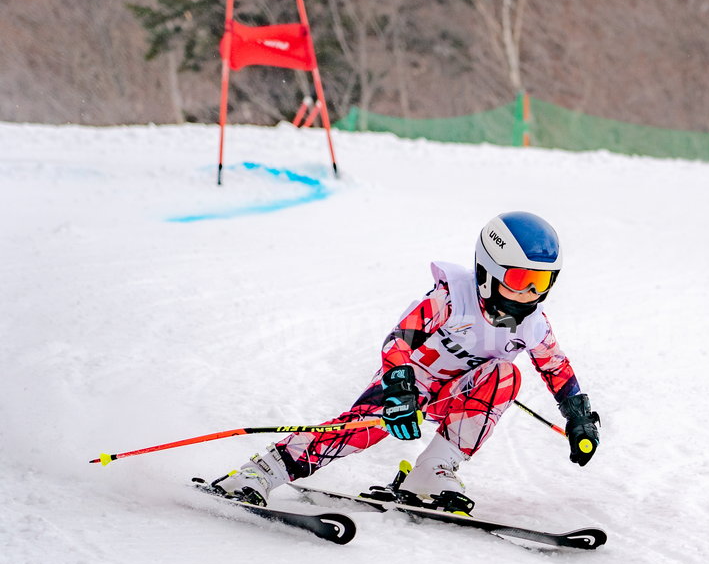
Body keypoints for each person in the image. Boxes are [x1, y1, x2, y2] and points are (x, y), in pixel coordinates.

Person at [207, 211, 601, 514]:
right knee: (360, 430)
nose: (529, 293)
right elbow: (399, 340)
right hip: (409, 383)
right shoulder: (452, 298)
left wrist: (577, 414)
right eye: (518, 279)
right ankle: (261, 471)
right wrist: (399, 388)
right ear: (488, 270)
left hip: (458, 395)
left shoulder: (533, 325)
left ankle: (431, 473)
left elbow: (556, 367)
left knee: (504, 375)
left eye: (542, 282)